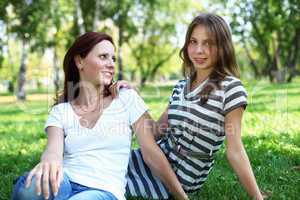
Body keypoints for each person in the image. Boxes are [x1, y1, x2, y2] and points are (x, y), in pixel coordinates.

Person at [11, 32, 188, 200]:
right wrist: (49, 161)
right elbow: (53, 150)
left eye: (113, 58)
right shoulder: (61, 111)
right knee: (28, 191)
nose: (111, 64)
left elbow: (151, 152)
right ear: (80, 61)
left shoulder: (126, 98)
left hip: (103, 190)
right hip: (65, 179)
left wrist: (182, 197)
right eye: (103, 57)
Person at [122, 13, 264, 199]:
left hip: (179, 178)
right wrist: (134, 98)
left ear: (222, 47)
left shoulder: (231, 88)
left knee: (103, 182)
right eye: (193, 42)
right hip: (153, 158)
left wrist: (257, 197)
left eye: (208, 43)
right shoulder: (182, 85)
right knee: (93, 166)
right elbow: (157, 131)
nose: (199, 50)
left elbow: (235, 152)